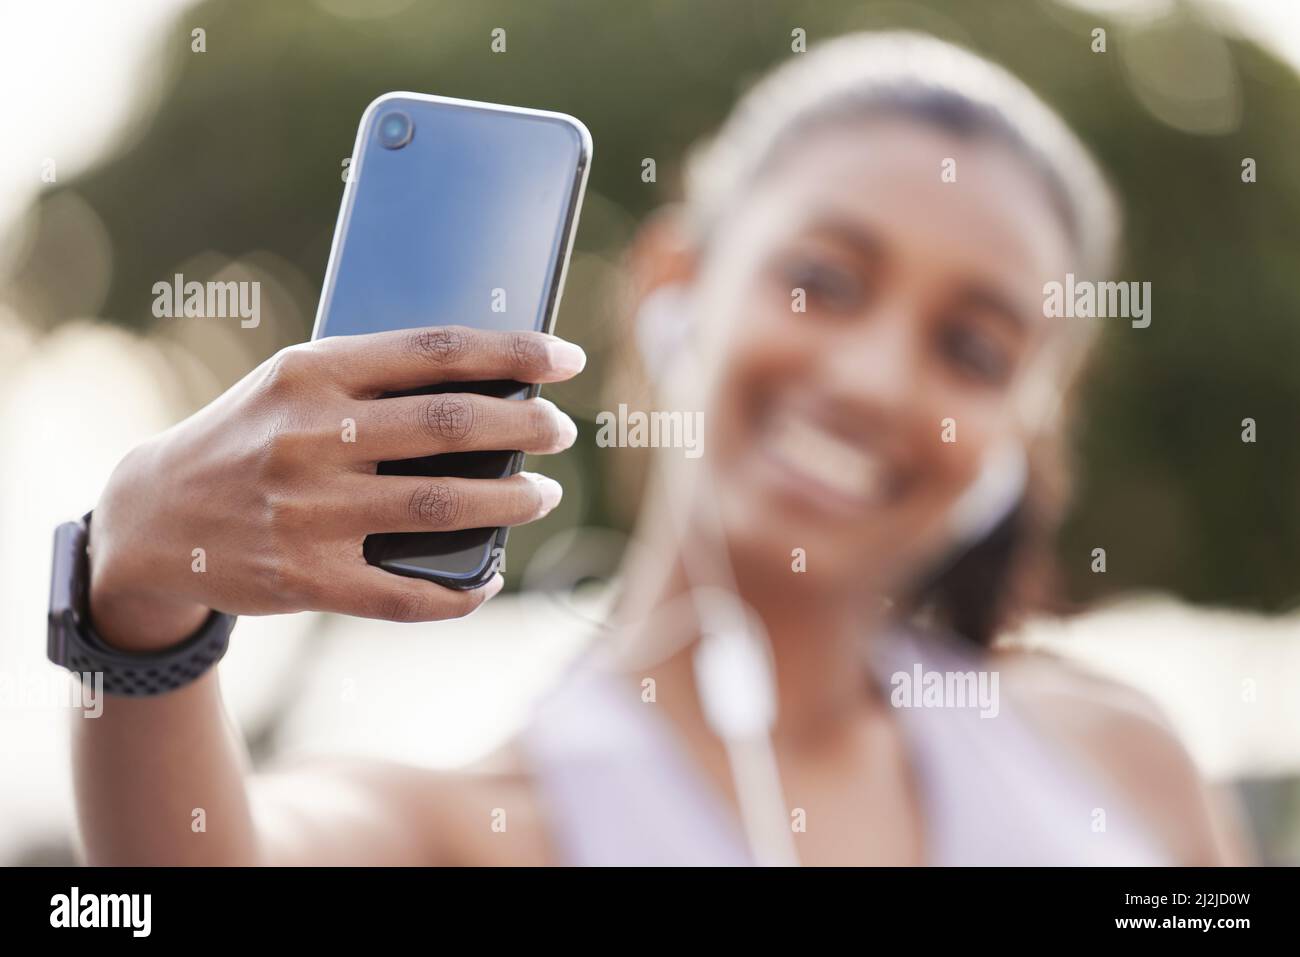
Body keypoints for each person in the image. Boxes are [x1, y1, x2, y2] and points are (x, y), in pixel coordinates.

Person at [73, 32, 1247, 866]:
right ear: (673, 288)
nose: (875, 382)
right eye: (820, 282)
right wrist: (133, 595)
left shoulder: (1123, 768)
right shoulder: (478, 830)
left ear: (1020, 433)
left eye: (974, 350)